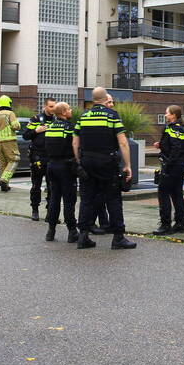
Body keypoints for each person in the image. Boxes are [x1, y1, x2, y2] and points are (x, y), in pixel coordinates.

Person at [72, 87, 136, 250]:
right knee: (113, 198)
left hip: (87, 162)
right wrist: (128, 165)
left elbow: (75, 142)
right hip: (107, 163)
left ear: (93, 99)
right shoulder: (112, 115)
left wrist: (79, 160)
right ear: (104, 98)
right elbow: (122, 142)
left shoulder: (83, 116)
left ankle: (83, 236)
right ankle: (118, 237)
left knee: (87, 199)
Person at [152, 104, 184, 235]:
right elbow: (181, 146)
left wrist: (168, 165)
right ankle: (180, 224)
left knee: (163, 193)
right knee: (177, 194)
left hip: (172, 167)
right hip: (180, 167)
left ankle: (165, 225)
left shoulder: (171, 129)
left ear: (174, 115)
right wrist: (161, 145)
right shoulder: (183, 129)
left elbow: (176, 148)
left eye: (167, 113)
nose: (165, 115)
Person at [43, 102, 79, 243]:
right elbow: (75, 145)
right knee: (69, 200)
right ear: (64, 112)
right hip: (66, 166)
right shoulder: (70, 127)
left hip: (52, 165)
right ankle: (72, 231)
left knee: (54, 199)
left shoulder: (50, 126)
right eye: (69, 109)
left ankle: (50, 231)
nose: (71, 111)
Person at [23, 97, 57, 221]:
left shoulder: (56, 120)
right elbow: (25, 135)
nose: (53, 109)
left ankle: (50, 213)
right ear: (45, 107)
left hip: (51, 157)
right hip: (37, 156)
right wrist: (36, 131)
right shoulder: (36, 119)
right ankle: (35, 210)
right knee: (36, 185)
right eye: (51, 106)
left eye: (54, 106)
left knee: (52, 186)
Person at [0, 95, 21, 191]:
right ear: (9, 103)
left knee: (3, 163)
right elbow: (16, 126)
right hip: (10, 142)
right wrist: (18, 124)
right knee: (14, 160)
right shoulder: (10, 113)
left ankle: (5, 186)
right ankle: (4, 179)